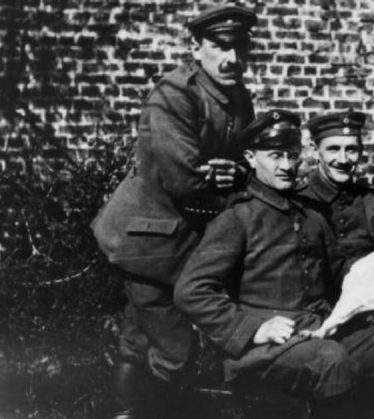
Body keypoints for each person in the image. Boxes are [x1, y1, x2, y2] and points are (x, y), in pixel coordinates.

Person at [174, 110, 374, 419]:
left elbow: (341, 275)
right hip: (264, 350)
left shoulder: (312, 215)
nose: (286, 166)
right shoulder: (238, 218)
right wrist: (253, 329)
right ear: (250, 157)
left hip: (319, 332)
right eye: (274, 156)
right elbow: (191, 290)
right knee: (331, 361)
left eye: (292, 156)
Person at [90, 5, 256, 417]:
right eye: (220, 47)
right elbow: (185, 179)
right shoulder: (174, 95)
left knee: (139, 335)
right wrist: (226, 176)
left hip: (182, 236)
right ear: (196, 48)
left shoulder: (238, 97)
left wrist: (232, 171)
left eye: (239, 47)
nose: (232, 58)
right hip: (146, 238)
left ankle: (128, 412)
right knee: (176, 349)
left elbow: (243, 163)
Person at [298, 110, 374, 295]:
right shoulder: (299, 201)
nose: (343, 159)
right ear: (315, 149)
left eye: (351, 149)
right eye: (333, 149)